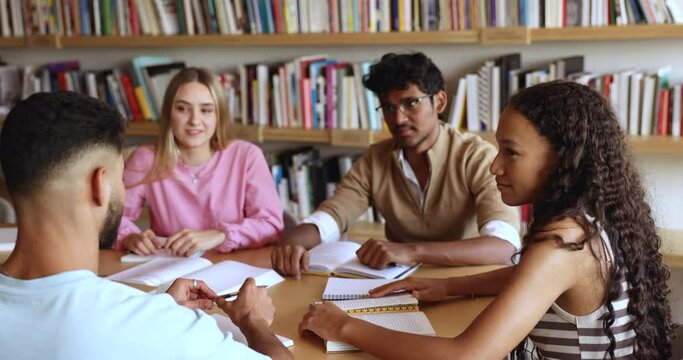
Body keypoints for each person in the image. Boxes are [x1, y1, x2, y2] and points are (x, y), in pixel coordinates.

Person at [298, 81, 676, 359]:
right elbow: (531, 277)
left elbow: (467, 356)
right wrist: (448, 288)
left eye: (510, 152)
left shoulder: (564, 243)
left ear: (564, 159)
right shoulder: (592, 217)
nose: (495, 165)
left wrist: (341, 325)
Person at [0, 92, 291, 360]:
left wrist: (156, 306)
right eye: (122, 177)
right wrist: (254, 322)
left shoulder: (146, 320)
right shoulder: (160, 328)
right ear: (100, 185)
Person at [272, 52, 520, 278]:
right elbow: (331, 217)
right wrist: (293, 242)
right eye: (389, 107)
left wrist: (411, 251)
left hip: (467, 282)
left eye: (411, 103)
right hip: (398, 284)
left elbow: (504, 246)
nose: (398, 118)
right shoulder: (375, 159)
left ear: (440, 102)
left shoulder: (476, 156)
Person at [114, 67, 283, 256]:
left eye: (206, 110)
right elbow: (110, 218)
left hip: (234, 268)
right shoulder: (146, 159)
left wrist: (221, 235)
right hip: (169, 271)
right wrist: (129, 237)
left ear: (219, 116)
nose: (195, 120)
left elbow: (271, 225)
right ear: (169, 114)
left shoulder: (247, 156)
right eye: (182, 109)